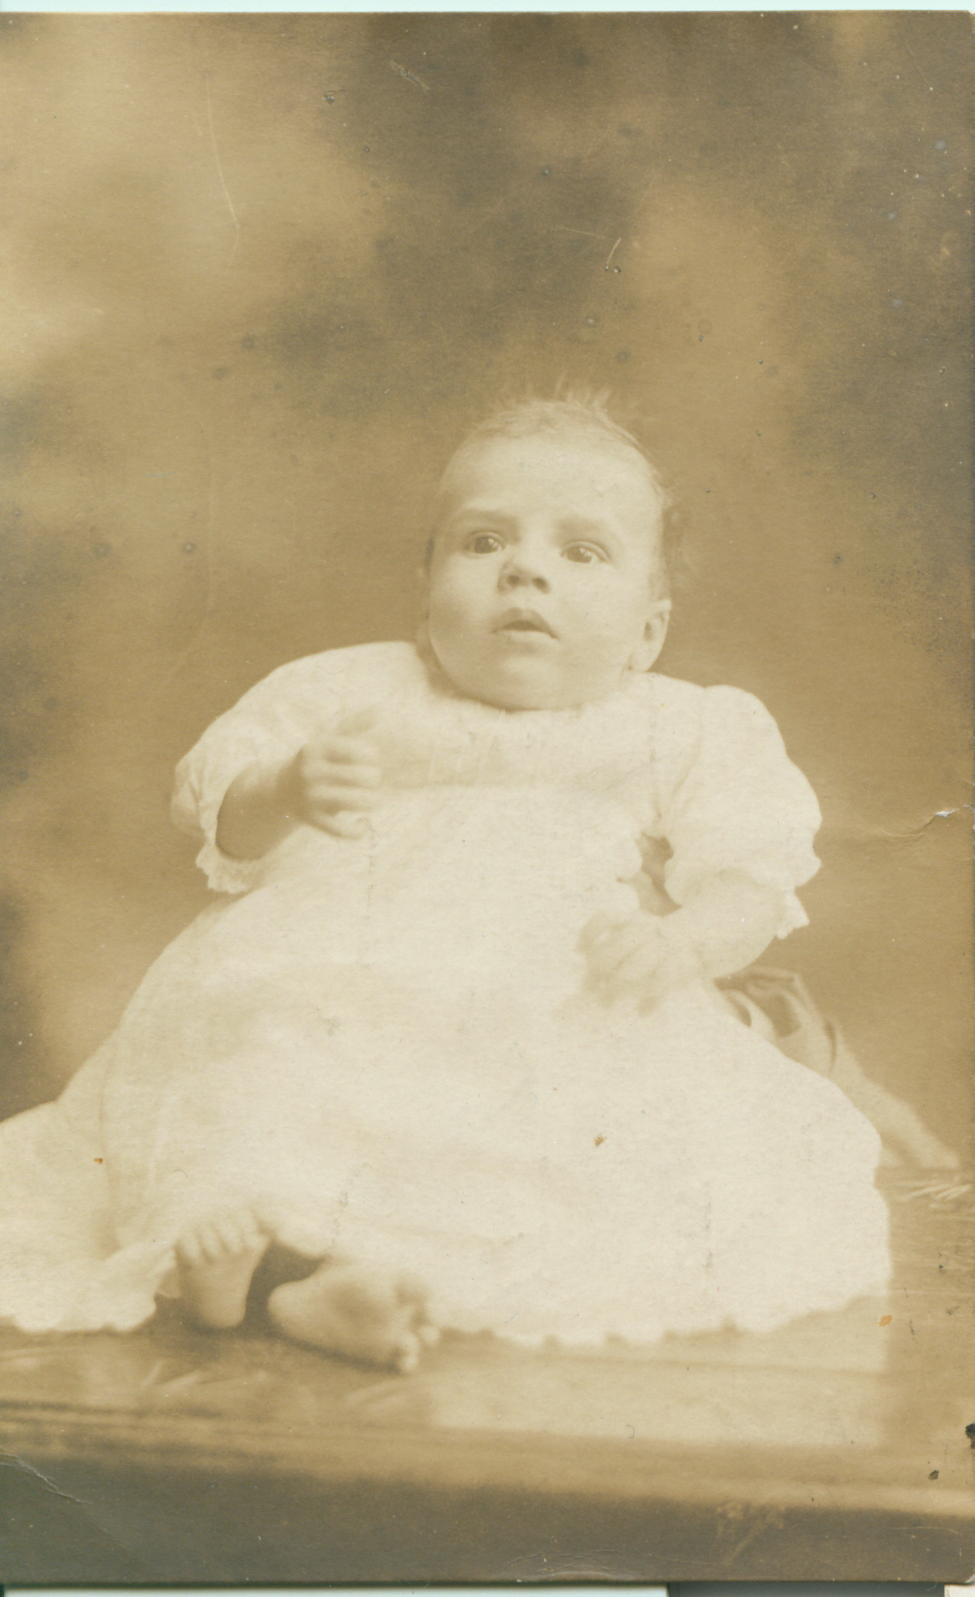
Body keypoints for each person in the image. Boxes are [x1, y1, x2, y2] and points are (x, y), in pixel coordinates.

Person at [0, 396, 897, 1372]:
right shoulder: (346, 690)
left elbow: (748, 880)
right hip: (328, 975)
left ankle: (325, 1285)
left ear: (647, 632)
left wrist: (680, 942)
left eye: (581, 551)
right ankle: (262, 1272)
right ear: (424, 595)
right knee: (261, 1081)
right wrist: (285, 786)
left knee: (605, 1141)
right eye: (483, 541)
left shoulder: (674, 725)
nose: (525, 568)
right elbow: (220, 813)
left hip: (552, 992)